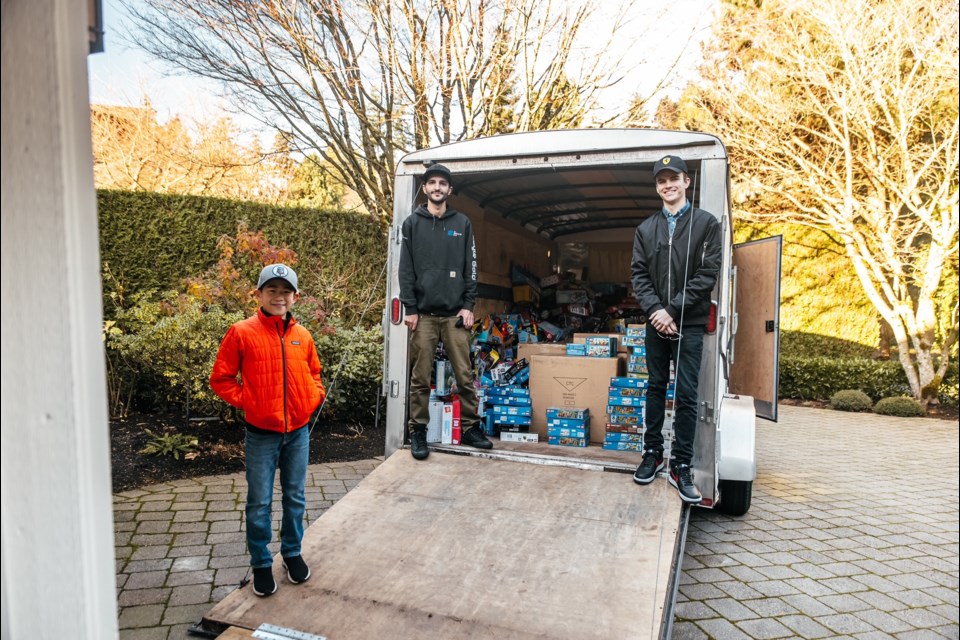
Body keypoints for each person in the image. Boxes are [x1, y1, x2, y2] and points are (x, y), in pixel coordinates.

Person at [210, 264, 325, 597]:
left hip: (298, 433)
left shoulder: (302, 336)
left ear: (295, 297)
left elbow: (315, 374)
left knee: (295, 498)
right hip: (261, 432)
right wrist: (251, 401)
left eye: (285, 291)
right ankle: (261, 562)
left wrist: (312, 398)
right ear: (258, 294)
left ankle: (291, 553)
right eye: (271, 290)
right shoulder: (242, 332)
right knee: (259, 502)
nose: (279, 297)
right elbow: (221, 379)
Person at [630, 155, 721, 504]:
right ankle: (652, 454)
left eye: (673, 179)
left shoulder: (706, 224)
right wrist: (656, 310)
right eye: (661, 181)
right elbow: (638, 275)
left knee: (686, 395)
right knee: (654, 387)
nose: (667, 185)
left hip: (689, 322)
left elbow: (707, 274)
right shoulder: (646, 229)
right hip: (656, 322)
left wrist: (672, 309)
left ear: (686, 181)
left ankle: (680, 465)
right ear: (657, 187)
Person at [399, 163, 493, 459]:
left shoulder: (462, 223)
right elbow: (406, 270)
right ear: (425, 188)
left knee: (465, 375)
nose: (437, 187)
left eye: (442, 183)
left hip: (455, 315)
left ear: (449, 189)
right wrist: (410, 308)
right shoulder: (412, 224)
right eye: (432, 183)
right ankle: (418, 431)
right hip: (423, 315)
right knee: (420, 377)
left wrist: (468, 305)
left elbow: (471, 267)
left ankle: (469, 428)